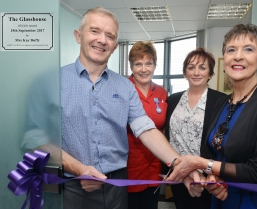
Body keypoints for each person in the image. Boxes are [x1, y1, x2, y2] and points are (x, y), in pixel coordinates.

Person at [60, 6, 201, 209]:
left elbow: (146, 128)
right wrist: (78, 168)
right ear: (78, 35)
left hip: (117, 185)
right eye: (94, 31)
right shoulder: (55, 81)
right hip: (73, 185)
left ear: (115, 46)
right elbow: (39, 140)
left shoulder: (125, 86)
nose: (102, 40)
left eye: (110, 35)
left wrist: (181, 166)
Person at [167, 23, 257, 209]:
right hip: (220, 200)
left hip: (255, 203)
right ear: (225, 58)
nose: (238, 56)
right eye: (231, 50)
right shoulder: (223, 103)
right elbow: (217, 154)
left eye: (248, 49)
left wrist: (201, 163)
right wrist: (213, 179)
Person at [165, 47, 225, 209]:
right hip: (179, 173)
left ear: (210, 74)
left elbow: (224, 139)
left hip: (208, 177)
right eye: (191, 67)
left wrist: (214, 173)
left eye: (202, 67)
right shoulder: (172, 100)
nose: (196, 72)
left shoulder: (221, 102)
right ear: (185, 73)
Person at [126, 41, 168, 209]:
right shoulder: (122, 89)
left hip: (154, 166)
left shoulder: (162, 92)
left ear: (155, 65)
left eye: (148, 63)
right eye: (138, 64)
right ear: (131, 66)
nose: (144, 69)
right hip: (129, 167)